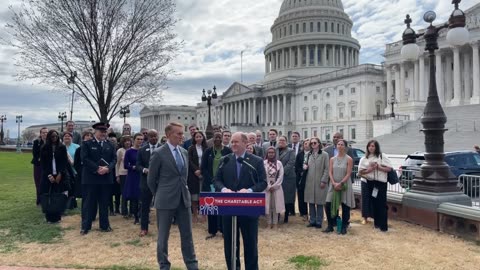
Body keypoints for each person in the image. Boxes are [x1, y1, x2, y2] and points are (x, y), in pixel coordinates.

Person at [147, 122, 198, 270]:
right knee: (163, 236)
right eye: (179, 133)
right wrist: (159, 194)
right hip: (165, 200)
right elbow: (151, 179)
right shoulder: (158, 153)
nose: (182, 136)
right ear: (169, 135)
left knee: (187, 235)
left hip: (183, 199)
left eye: (182, 133)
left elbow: (184, 176)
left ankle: (192, 264)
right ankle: (164, 265)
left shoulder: (183, 152)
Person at [215, 132, 267, 270]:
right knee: (230, 244)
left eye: (236, 142)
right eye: (232, 142)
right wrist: (224, 189)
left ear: (245, 143)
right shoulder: (224, 160)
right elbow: (217, 180)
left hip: (249, 209)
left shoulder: (256, 161)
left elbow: (263, 182)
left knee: (250, 243)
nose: (233, 144)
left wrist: (249, 191)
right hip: (228, 208)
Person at [80, 122, 117, 235]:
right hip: (91, 178)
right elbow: (85, 159)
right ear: (95, 131)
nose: (103, 133)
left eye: (105, 131)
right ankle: (86, 226)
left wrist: (108, 169)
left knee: (104, 202)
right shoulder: (87, 144)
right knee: (89, 203)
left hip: (105, 178)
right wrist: (97, 169)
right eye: (101, 131)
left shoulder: (110, 145)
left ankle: (104, 225)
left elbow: (114, 159)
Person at [201, 132, 232, 239]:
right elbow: (203, 167)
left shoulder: (228, 151)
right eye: (216, 137)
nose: (217, 139)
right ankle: (212, 231)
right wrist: (211, 180)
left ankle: (224, 230)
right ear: (212, 139)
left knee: (223, 207)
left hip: (223, 184)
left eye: (219, 137)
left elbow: (230, 166)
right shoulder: (208, 151)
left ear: (223, 138)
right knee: (211, 207)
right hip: (210, 183)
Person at [358, 140, 392, 232]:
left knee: (382, 204)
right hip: (370, 182)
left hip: (381, 183)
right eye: (369, 146)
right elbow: (360, 172)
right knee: (374, 204)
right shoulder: (364, 158)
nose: (371, 148)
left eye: (373, 146)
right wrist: (369, 170)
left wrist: (378, 167)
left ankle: (383, 226)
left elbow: (389, 168)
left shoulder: (382, 156)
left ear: (376, 147)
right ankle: (377, 224)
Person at [324, 139, 355, 234]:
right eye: (338, 144)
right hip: (333, 184)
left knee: (345, 206)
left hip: (344, 184)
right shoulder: (332, 159)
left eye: (342, 144)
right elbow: (330, 171)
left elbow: (349, 173)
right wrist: (333, 183)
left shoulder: (349, 159)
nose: (340, 146)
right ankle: (330, 225)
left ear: (345, 147)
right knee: (328, 204)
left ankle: (344, 226)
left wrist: (340, 183)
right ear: (336, 146)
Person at [39, 130, 69, 223]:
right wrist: (49, 175)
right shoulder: (44, 148)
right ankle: (49, 217)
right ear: (49, 137)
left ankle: (57, 217)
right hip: (48, 175)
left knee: (58, 196)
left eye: (56, 136)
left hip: (59, 175)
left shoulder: (62, 147)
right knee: (49, 196)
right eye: (52, 136)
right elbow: (43, 164)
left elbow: (64, 162)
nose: (54, 138)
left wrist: (60, 173)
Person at [136, 129, 161, 237]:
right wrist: (144, 170)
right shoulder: (142, 150)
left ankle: (162, 229)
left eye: (155, 136)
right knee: (145, 207)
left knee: (161, 207)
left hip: (160, 183)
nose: (154, 138)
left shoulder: (163, 148)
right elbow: (138, 165)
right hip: (146, 182)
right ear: (148, 138)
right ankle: (144, 228)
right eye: (151, 136)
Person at [303, 137, 329, 228]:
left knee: (320, 202)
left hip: (320, 181)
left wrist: (324, 180)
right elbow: (304, 164)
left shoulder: (324, 154)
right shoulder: (308, 154)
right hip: (309, 181)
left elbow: (327, 169)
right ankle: (312, 220)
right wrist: (304, 166)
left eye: (315, 143)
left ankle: (319, 221)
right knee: (311, 202)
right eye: (311, 143)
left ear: (319, 143)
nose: (313, 144)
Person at [123, 133, 144, 224]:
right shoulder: (129, 152)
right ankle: (136, 217)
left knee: (143, 198)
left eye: (141, 139)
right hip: (133, 176)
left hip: (142, 175)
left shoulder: (144, 150)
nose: (140, 141)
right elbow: (125, 165)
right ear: (134, 140)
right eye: (138, 139)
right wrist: (133, 167)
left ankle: (143, 216)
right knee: (135, 198)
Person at [74, 131, 93, 232]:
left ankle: (92, 216)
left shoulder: (95, 148)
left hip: (94, 176)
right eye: (87, 136)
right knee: (86, 200)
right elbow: (76, 164)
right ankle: (85, 221)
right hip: (83, 176)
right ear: (83, 138)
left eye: (91, 136)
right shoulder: (79, 150)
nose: (89, 137)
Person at [188, 131, 207, 223]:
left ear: (203, 138)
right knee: (194, 196)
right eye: (197, 137)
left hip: (204, 174)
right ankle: (195, 215)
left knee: (203, 195)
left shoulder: (206, 148)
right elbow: (189, 160)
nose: (199, 138)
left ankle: (204, 215)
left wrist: (201, 170)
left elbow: (207, 160)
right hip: (193, 174)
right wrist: (196, 170)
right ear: (194, 138)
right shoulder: (191, 148)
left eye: (200, 136)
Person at [276, 135, 296, 222]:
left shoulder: (291, 151)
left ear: (286, 142)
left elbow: (291, 163)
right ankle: (277, 215)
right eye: (279, 141)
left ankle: (286, 216)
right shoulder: (275, 150)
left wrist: (281, 172)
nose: (281, 142)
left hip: (287, 177)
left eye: (283, 140)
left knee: (287, 197)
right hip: (276, 176)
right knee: (277, 197)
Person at [264, 146, 285, 229]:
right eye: (269, 152)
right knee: (267, 205)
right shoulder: (263, 163)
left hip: (277, 187)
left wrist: (275, 186)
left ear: (275, 153)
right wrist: (268, 186)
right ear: (267, 153)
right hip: (267, 187)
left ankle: (275, 223)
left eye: (272, 152)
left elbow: (281, 175)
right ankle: (269, 223)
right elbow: (263, 175)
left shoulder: (279, 163)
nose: (271, 154)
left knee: (275, 206)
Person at [63, 132, 80, 210]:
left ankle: (72, 203)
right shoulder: (60, 146)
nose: (67, 137)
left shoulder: (77, 147)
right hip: (64, 170)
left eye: (69, 136)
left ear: (72, 138)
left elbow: (79, 159)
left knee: (73, 186)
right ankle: (64, 202)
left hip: (74, 169)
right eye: (65, 136)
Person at [295, 138, 310, 220]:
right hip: (300, 178)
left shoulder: (312, 154)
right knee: (301, 196)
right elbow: (296, 166)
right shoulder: (299, 154)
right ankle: (303, 212)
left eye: (308, 143)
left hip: (309, 177)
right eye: (305, 143)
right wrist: (301, 171)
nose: (306, 145)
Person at [32, 127, 48, 205]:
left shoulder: (51, 142)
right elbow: (35, 154)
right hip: (38, 165)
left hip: (48, 165)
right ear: (40, 134)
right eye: (43, 132)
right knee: (38, 182)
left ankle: (46, 199)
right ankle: (39, 200)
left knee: (46, 182)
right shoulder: (37, 142)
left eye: (46, 132)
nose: (45, 134)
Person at [116, 136, 131, 217]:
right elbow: (117, 163)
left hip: (131, 173)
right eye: (126, 141)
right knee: (124, 192)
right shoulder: (120, 151)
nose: (127, 142)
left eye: (129, 141)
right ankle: (124, 211)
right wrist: (117, 175)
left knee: (131, 192)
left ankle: (132, 211)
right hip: (123, 174)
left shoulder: (133, 149)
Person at [107, 133, 121, 215]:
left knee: (118, 192)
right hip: (110, 172)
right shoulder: (107, 148)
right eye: (111, 140)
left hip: (118, 172)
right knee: (109, 192)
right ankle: (111, 209)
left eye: (114, 141)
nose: (112, 142)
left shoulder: (119, 149)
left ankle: (117, 208)